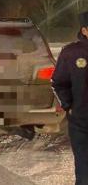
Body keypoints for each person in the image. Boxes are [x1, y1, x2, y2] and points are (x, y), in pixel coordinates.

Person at [52, 11, 88, 185]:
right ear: (85, 30)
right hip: (81, 122)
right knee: (84, 170)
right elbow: (59, 82)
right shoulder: (71, 53)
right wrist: (68, 106)